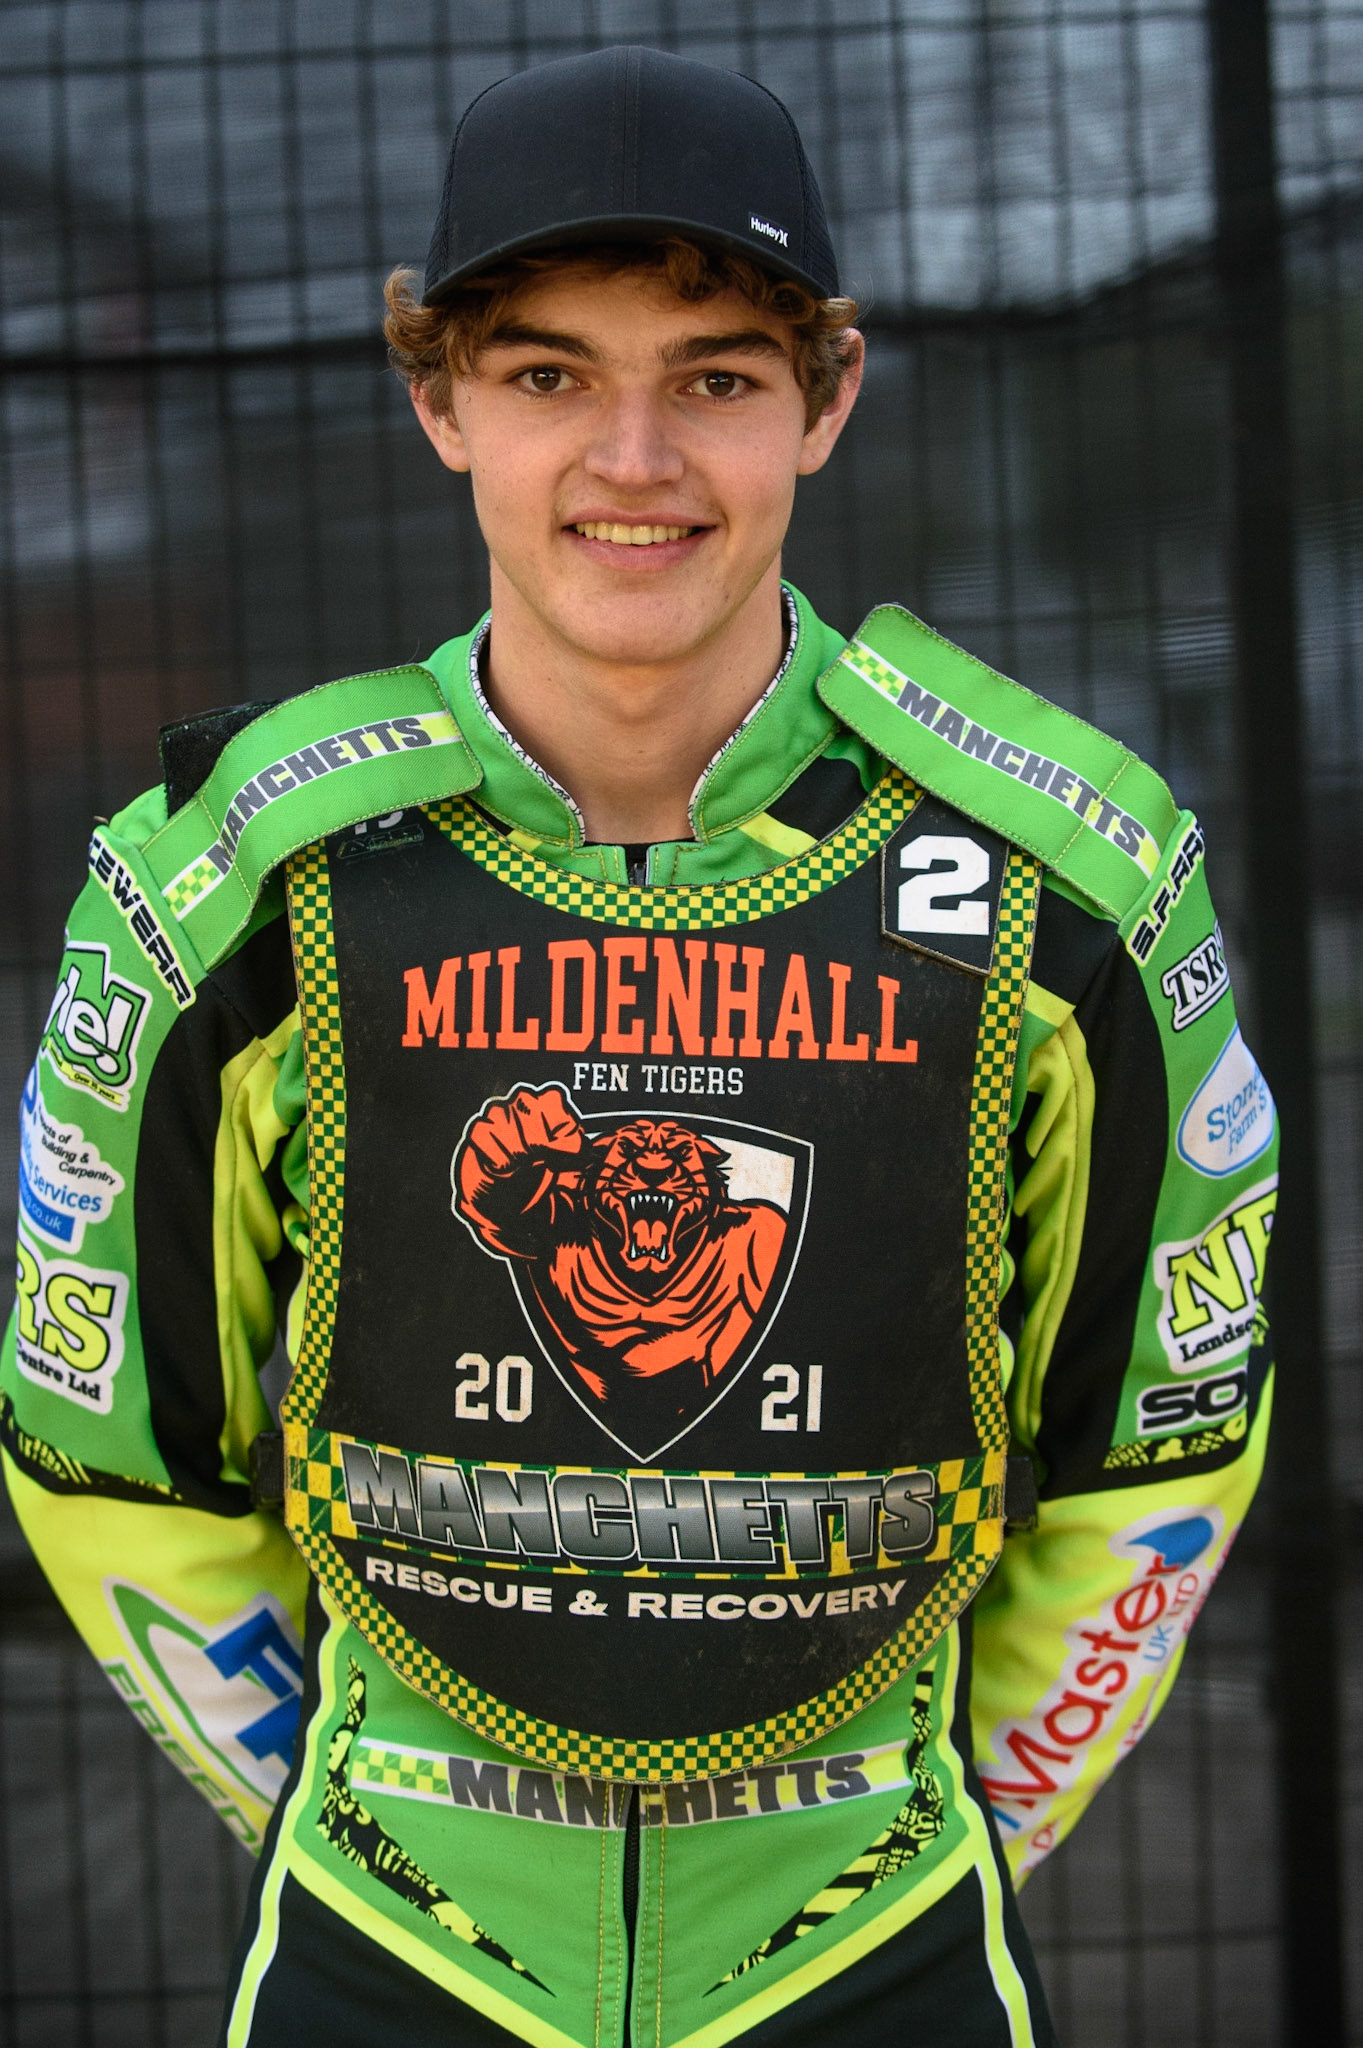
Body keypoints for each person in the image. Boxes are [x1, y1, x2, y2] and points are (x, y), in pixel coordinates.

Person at [2, 44, 1277, 2048]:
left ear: (826, 401)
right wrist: (362, 1808)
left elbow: (1160, 1447)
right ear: (436, 401)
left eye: (713, 375)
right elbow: (106, 1448)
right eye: (544, 377)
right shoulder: (237, 877)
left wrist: (946, 1823)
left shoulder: (1072, 876)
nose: (633, 458)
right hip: (384, 1938)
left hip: (880, 1940)